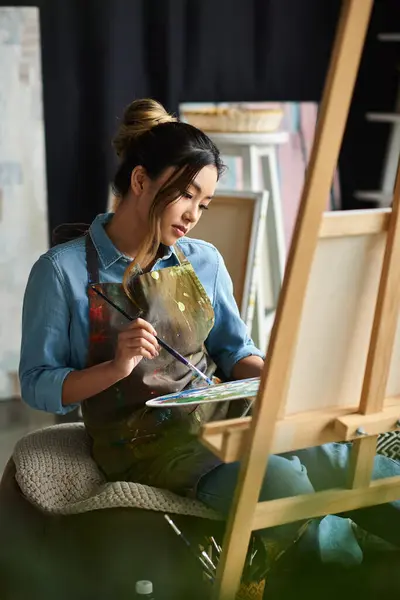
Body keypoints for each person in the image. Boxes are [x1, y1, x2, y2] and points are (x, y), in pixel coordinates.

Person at [19, 99, 400, 590]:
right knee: (284, 484)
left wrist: (279, 379)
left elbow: (235, 351)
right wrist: (116, 367)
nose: (194, 216)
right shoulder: (60, 272)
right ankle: (338, 573)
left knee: (341, 456)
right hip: (145, 443)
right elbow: (37, 386)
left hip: (221, 412)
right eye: (187, 197)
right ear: (140, 181)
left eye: (205, 204)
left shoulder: (202, 260)